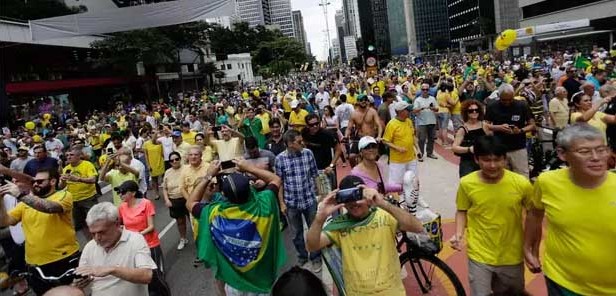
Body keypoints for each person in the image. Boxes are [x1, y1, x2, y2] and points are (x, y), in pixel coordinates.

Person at [525, 124, 616, 295]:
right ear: (562, 154)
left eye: (601, 149)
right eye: (584, 152)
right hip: (563, 283)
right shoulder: (547, 182)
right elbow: (535, 214)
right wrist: (529, 247)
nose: (596, 157)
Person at [305, 175, 424, 296]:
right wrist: (320, 218)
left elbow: (418, 227)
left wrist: (382, 203)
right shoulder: (339, 225)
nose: (354, 202)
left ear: (366, 194)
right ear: (341, 200)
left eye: (357, 195)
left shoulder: (385, 215)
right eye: (348, 197)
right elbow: (311, 246)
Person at [186, 160, 286, 296]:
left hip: (235, 286)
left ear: (224, 195)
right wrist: (249, 168)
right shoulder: (265, 204)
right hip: (265, 283)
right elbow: (275, 179)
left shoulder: (213, 214)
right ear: (250, 189)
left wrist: (209, 176)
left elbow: (191, 203)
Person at [450, 136, 532, 296]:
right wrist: (459, 234)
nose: (493, 165)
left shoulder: (521, 183)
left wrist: (530, 247)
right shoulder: (467, 183)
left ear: (505, 159)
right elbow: (462, 210)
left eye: (497, 160)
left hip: (512, 256)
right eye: (487, 160)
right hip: (479, 255)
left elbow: (534, 214)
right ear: (476, 159)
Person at [0, 168, 80, 295]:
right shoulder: (24, 204)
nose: (36, 184)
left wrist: (20, 195)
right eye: (35, 182)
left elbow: (49, 208)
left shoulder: (63, 195)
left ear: (53, 181)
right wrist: (1, 201)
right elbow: (5, 222)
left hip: (63, 259)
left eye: (40, 181)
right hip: (35, 264)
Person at [75, 202, 157, 296]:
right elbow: (82, 276)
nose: (97, 238)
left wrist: (112, 270)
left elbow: (146, 275)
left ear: (117, 224)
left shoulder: (135, 240)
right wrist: (78, 283)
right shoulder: (89, 247)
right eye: (93, 234)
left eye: (102, 232)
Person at [274, 130, 321, 272]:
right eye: (299, 142)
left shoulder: (308, 154)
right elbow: (279, 182)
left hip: (309, 200)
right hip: (291, 203)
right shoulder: (280, 159)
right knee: (296, 234)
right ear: (289, 144)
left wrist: (320, 194)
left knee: (314, 229)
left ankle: (315, 257)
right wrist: (281, 203)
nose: (303, 144)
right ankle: (302, 257)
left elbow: (315, 175)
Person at [116, 180, 171, 296]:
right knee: (139, 274)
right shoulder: (121, 208)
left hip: (150, 243)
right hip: (132, 246)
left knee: (155, 274)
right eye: (119, 193)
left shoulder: (146, 203)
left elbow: (151, 226)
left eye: (123, 192)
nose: (120, 195)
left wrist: (137, 235)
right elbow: (120, 225)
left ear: (133, 193)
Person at [485, 84, 535, 178]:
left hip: (519, 147)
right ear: (499, 96)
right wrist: (498, 127)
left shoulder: (522, 105)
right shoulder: (492, 106)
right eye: (504, 100)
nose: (507, 102)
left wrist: (520, 130)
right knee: (502, 177)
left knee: (522, 176)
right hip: (500, 148)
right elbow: (484, 125)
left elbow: (532, 125)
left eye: (510, 99)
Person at [59, 147, 99, 240]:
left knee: (95, 221)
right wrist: (62, 181)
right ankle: (91, 241)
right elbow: (61, 187)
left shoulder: (87, 165)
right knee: (81, 224)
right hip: (74, 201)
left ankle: (100, 239)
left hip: (88, 198)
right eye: (67, 155)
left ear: (79, 156)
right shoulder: (66, 169)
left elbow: (93, 179)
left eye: (71, 155)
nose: (68, 157)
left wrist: (78, 179)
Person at [452, 100, 491, 177]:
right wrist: (469, 149)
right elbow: (454, 147)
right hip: (468, 162)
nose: (474, 112)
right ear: (466, 112)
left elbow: (490, 142)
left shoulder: (484, 125)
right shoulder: (463, 129)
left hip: (483, 161)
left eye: (476, 110)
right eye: (471, 110)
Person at [382, 101, 418, 180]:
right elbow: (385, 141)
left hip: (411, 158)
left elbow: (412, 136)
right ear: (400, 112)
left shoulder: (408, 121)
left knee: (413, 181)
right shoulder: (392, 124)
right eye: (407, 110)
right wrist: (398, 148)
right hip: (397, 161)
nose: (409, 112)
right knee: (396, 184)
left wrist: (417, 149)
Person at [345, 95, 383, 167]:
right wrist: (346, 136)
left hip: (371, 138)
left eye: (365, 100)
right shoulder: (354, 114)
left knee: (376, 158)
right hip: (360, 138)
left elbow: (379, 125)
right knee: (351, 157)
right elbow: (349, 128)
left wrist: (379, 136)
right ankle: (354, 172)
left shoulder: (372, 111)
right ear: (357, 102)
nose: (363, 101)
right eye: (361, 100)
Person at [162, 152, 189, 250]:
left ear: (180, 159)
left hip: (187, 198)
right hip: (174, 200)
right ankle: (183, 238)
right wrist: (167, 200)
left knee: (193, 220)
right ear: (169, 162)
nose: (175, 161)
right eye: (172, 160)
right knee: (180, 221)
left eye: (176, 159)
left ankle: (198, 238)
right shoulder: (168, 172)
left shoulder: (187, 168)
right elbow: (164, 188)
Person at [413, 83, 439, 160]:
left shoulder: (432, 98)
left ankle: (430, 153)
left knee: (431, 138)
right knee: (421, 139)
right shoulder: (417, 100)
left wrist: (433, 108)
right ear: (421, 90)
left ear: (429, 90)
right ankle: (420, 154)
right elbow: (414, 110)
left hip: (432, 121)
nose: (425, 91)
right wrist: (421, 108)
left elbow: (437, 109)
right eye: (423, 89)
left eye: (426, 89)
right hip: (422, 122)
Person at [143, 131, 165, 199]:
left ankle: (166, 192)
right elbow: (146, 156)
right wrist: (148, 165)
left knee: (164, 178)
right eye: (152, 133)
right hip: (152, 163)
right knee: (154, 179)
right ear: (149, 134)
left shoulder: (160, 142)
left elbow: (162, 153)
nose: (153, 134)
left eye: (154, 133)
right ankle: (156, 193)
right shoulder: (146, 144)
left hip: (160, 162)